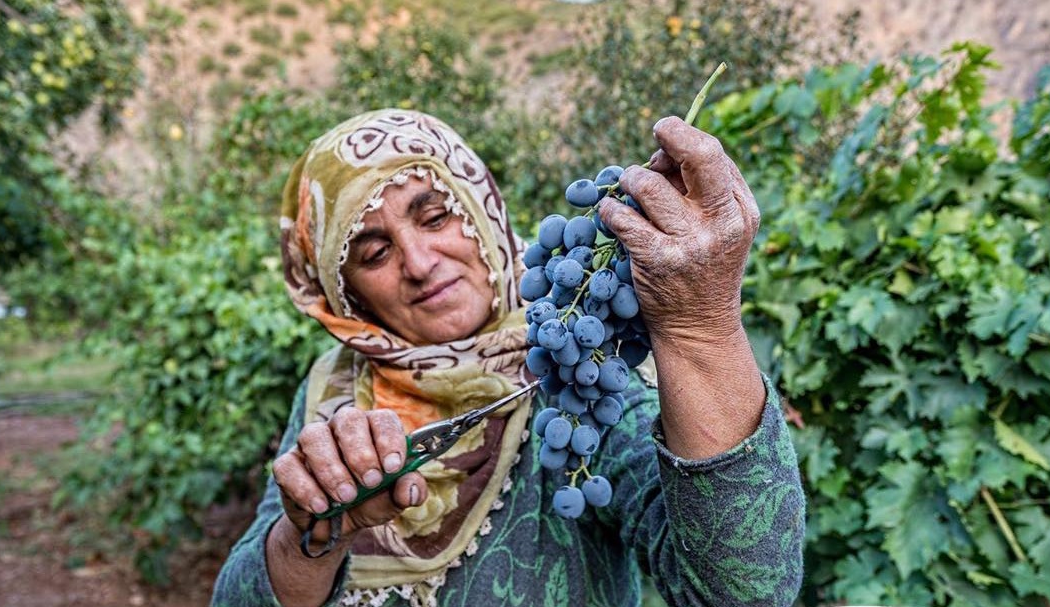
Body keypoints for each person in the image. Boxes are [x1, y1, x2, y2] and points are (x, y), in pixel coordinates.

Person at [211, 109, 805, 607]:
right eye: (373, 252)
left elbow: (747, 592)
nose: (419, 263)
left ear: (479, 208)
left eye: (435, 215)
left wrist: (700, 325)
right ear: (344, 297)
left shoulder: (577, 365)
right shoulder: (334, 389)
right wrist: (309, 534)